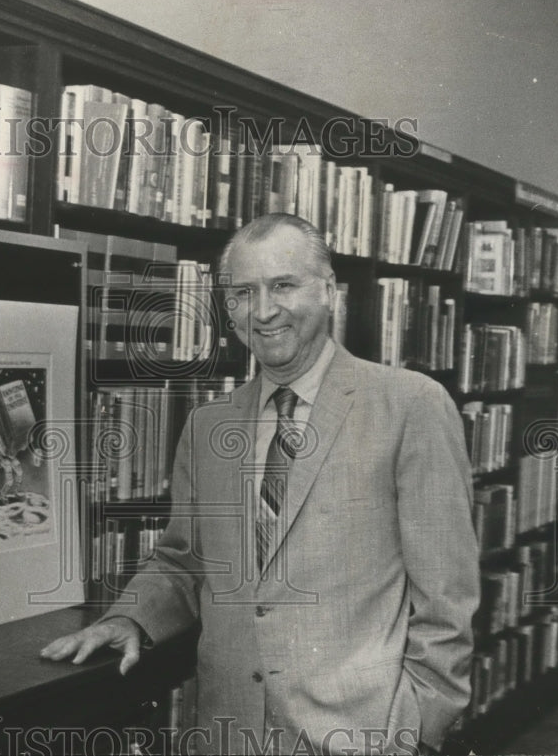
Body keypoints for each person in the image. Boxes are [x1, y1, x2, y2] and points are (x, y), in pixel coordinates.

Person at [41, 214, 480, 755]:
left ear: (329, 292)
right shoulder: (207, 427)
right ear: (228, 310)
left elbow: (447, 598)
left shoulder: (411, 405)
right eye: (244, 292)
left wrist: (417, 733)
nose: (265, 310)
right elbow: (184, 562)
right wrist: (131, 616)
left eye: (284, 285)